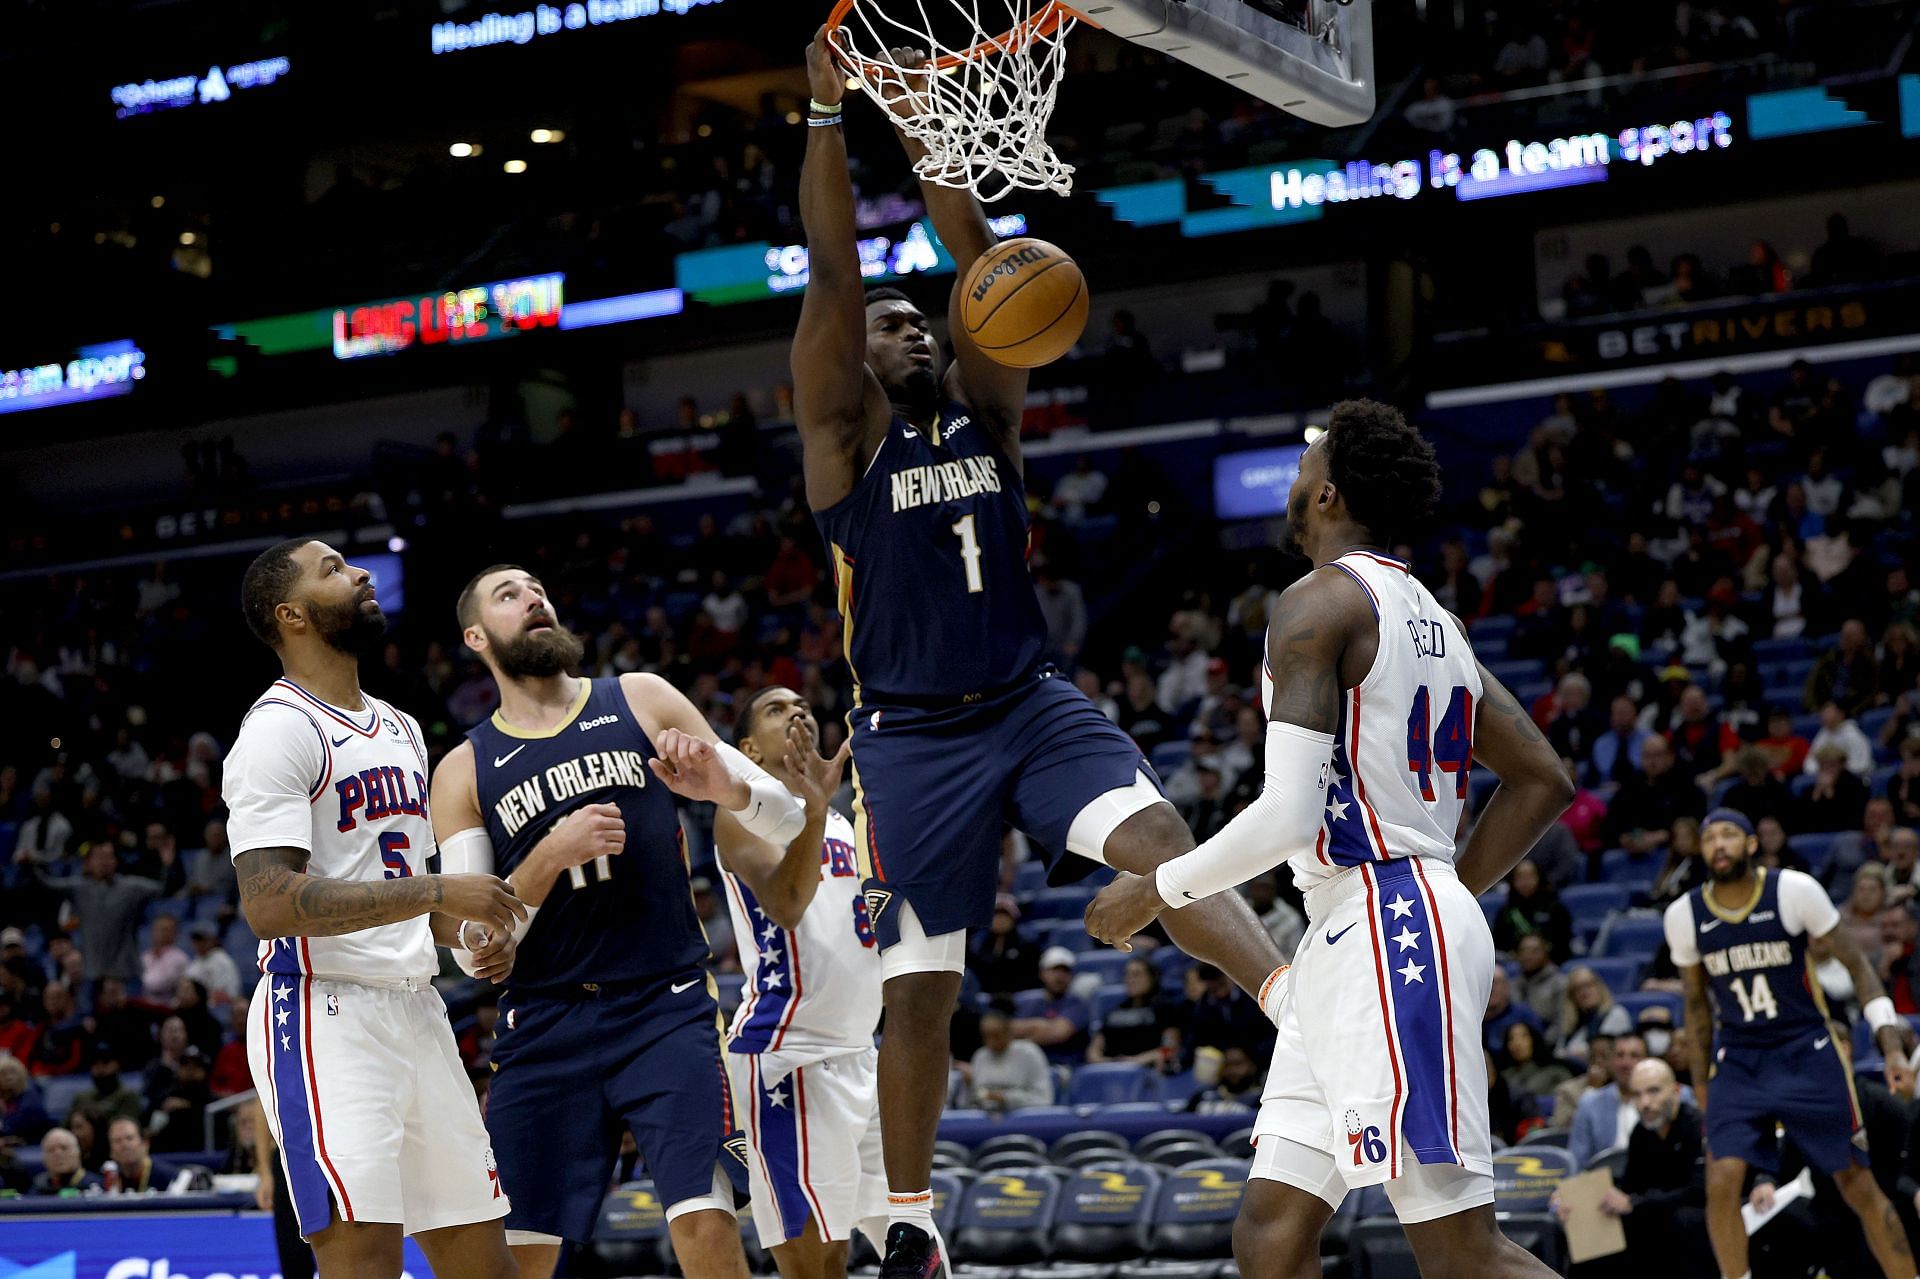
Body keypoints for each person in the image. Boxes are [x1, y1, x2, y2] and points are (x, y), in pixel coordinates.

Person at [791, 34, 1286, 1279]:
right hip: (908, 737)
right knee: (921, 988)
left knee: (1166, 845)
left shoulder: (988, 412)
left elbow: (988, 268)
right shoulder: (842, 444)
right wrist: (822, 116)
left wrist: (926, 126)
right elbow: (839, 278)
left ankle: (1297, 1004)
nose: (913, 332)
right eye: (894, 328)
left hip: (1029, 702)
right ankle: (910, 1220)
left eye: (926, 327)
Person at [1083, 401, 1576, 1275]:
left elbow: (1288, 815)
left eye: (1308, 456)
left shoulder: (1319, 601)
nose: (1296, 468)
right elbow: (1543, 778)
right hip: (1367, 927)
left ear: (1329, 491)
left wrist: (1152, 889)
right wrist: (1448, 887)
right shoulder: (1437, 621)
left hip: (1388, 921)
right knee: (1271, 1235)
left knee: (1462, 1249)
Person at [430, 565, 798, 1279]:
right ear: (475, 637)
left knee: (707, 1225)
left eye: (538, 586)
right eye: (508, 594)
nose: (534, 596)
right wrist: (545, 857)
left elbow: (783, 814)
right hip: (543, 1024)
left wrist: (724, 787)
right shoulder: (463, 769)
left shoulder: (641, 698)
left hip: (663, 1006)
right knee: (518, 1258)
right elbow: (479, 953)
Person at [225, 539, 524, 1279]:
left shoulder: (399, 726)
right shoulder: (276, 731)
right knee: (365, 1268)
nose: (358, 572)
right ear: (290, 615)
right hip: (326, 1019)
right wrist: (434, 892)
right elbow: (269, 905)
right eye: (332, 569)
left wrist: (468, 931)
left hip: (418, 1011)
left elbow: (409, 893)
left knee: (486, 1263)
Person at [1665, 808, 1918, 1279]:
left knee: (1856, 1181)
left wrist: (1891, 1045)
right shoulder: (1684, 915)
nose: (1718, 845)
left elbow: (1859, 968)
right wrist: (1701, 1086)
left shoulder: (1793, 891)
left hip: (1807, 1050)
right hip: (1739, 1059)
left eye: (1729, 836)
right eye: (1709, 838)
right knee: (1721, 1181)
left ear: (1751, 844)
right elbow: (1697, 1008)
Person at [716, 686, 892, 1279]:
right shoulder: (738, 815)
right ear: (748, 750)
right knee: (817, 1266)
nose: (797, 712)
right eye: (774, 709)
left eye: (802, 707)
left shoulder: (847, 821)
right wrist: (813, 810)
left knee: (911, 1247)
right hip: (789, 1056)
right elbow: (788, 905)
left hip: (863, 1052)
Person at [1557, 1059, 1712, 1272]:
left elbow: (1700, 1191)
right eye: (1637, 1095)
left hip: (1693, 1218)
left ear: (1675, 1090)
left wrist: (1635, 1203)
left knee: (1681, 1220)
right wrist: (1577, 1202)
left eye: (1653, 1091)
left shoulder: (1698, 1126)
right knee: (1594, 1222)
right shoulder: (1641, 1132)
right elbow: (1630, 1187)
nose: (1645, 1103)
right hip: (1654, 1213)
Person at [12, 843, 161, 991]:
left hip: (127, 972)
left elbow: (161, 889)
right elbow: (47, 884)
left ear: (115, 861)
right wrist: (29, 865)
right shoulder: (79, 887)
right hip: (93, 974)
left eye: (108, 857)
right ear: (88, 862)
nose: (104, 861)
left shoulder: (131, 887)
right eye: (99, 857)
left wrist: (167, 864)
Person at [1089, 956, 1183, 1068]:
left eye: (1136, 974)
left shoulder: (1165, 1008)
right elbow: (1094, 1050)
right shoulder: (1114, 1011)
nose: (1130, 980)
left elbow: (1170, 1048)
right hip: (1112, 1072)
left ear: (1152, 978)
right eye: (1127, 975)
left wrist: (1136, 1061)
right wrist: (1106, 1062)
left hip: (1147, 1072)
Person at [1011, 947, 1093, 1064]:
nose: (1059, 976)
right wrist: (1042, 1025)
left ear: (1072, 976)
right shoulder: (1026, 1004)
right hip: (1027, 1065)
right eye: (1054, 970)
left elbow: (1058, 1033)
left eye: (1065, 971)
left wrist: (1022, 1037)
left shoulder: (1078, 1004)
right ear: (1042, 973)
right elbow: (1008, 1030)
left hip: (1063, 1066)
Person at [964, 1007, 1051, 1113]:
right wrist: (968, 1087)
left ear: (1009, 1031)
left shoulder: (1029, 1053)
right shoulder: (980, 1056)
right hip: (985, 1122)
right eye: (986, 1036)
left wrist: (1006, 1098)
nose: (991, 1042)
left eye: (996, 1036)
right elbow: (967, 1104)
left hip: (1022, 1122)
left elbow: (1043, 1099)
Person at [1491, 859, 1572, 960]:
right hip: (1514, 964)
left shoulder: (1556, 909)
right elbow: (1499, 946)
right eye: (1520, 877)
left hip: (1551, 965)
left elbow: (1563, 945)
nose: (1525, 882)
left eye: (1529, 876)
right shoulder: (1505, 912)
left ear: (1539, 878)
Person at [107, 1115, 183, 1193]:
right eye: (117, 1141)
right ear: (110, 1150)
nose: (124, 1145)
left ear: (145, 1143)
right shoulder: (105, 1180)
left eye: (129, 1138)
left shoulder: (170, 1178)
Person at [29, 1127, 103, 1195]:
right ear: (44, 1158)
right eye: (51, 1150)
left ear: (77, 1152)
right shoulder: (39, 1185)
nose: (58, 1154)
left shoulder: (95, 1185)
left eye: (64, 1148)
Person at [184, 920, 242, 1002]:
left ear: (213, 940)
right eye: (195, 940)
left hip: (220, 1008)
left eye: (201, 939)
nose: (198, 944)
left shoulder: (222, 961)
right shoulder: (195, 962)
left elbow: (228, 994)